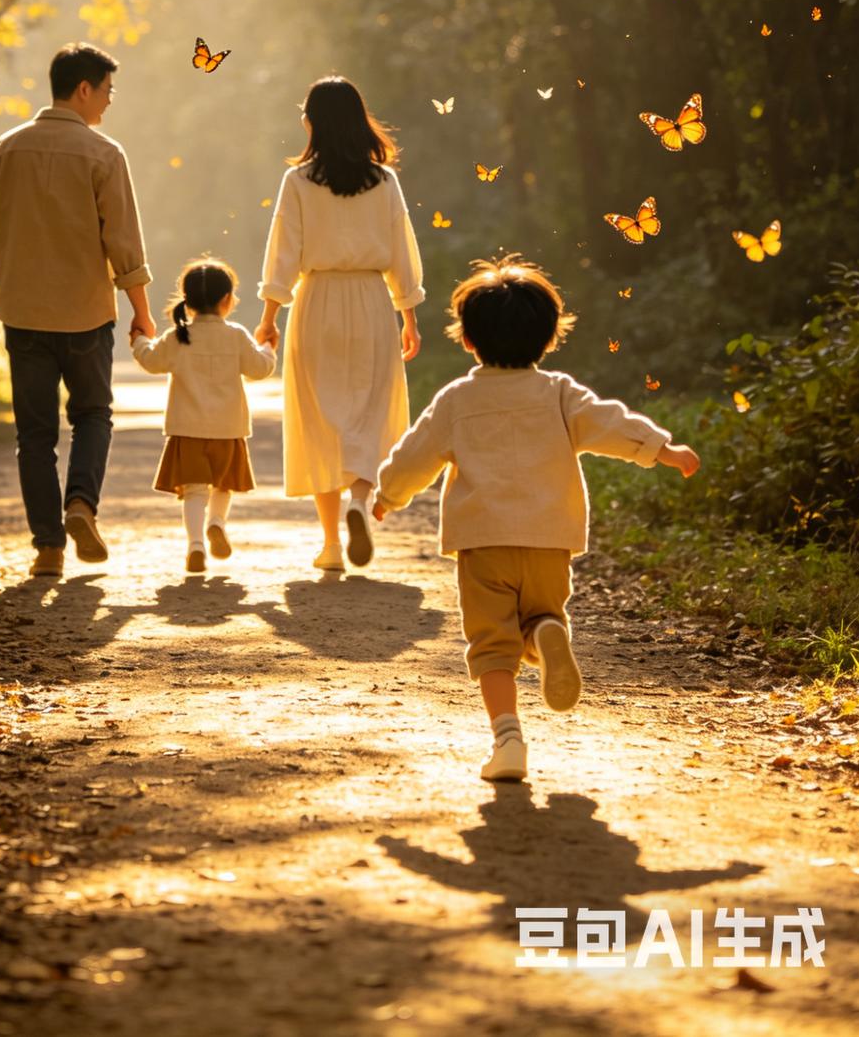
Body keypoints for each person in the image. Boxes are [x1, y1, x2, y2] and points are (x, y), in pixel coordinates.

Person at [373, 254, 700, 782]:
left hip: (484, 543)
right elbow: (611, 423)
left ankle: (508, 741)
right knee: (539, 617)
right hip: (550, 539)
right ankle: (546, 632)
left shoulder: (457, 400)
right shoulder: (560, 393)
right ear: (548, 338)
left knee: (492, 646)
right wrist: (663, 448)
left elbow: (416, 454)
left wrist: (388, 493)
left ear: (469, 340)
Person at [0, 43, 155, 580]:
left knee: (35, 435)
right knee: (93, 415)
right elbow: (123, 241)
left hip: (23, 314)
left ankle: (48, 548)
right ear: (84, 89)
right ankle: (81, 504)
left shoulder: (6, 148)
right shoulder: (104, 154)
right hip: (86, 315)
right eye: (108, 91)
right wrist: (141, 311)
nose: (110, 101)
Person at [256, 76, 424, 572]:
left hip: (317, 302)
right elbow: (402, 252)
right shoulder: (384, 181)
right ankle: (360, 501)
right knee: (370, 412)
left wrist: (269, 317)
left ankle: (331, 545)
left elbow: (283, 252)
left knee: (320, 420)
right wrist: (408, 316)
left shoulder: (298, 182)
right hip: (372, 301)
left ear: (312, 122)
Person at [131, 259, 277, 574]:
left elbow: (151, 360)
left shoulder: (178, 336)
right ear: (226, 299)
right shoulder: (236, 335)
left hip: (188, 430)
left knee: (195, 491)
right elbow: (260, 368)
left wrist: (139, 339)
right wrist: (268, 348)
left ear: (188, 300)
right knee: (224, 485)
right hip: (229, 429)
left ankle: (195, 545)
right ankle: (217, 523)